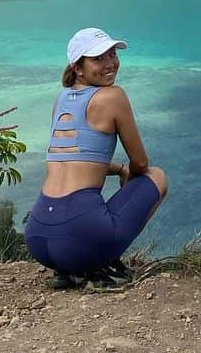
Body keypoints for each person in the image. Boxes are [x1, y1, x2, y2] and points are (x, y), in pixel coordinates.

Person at [24, 27, 168, 287]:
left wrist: (118, 168)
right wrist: (130, 172)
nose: (110, 63)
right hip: (80, 233)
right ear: (78, 67)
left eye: (112, 54)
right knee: (156, 176)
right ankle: (103, 262)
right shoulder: (113, 97)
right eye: (98, 58)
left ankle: (66, 272)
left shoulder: (61, 99)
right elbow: (141, 163)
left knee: (77, 222)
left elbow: (72, 157)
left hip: (38, 237)